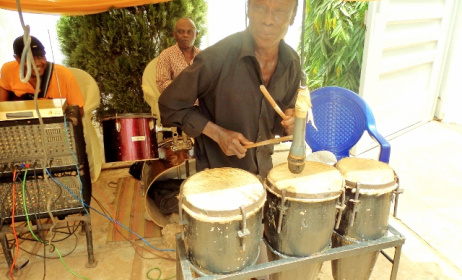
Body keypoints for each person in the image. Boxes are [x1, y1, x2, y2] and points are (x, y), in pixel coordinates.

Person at [159, 0, 301, 179]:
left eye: (279, 11)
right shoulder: (216, 58)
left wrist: (291, 121)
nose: (268, 20)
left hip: (263, 175)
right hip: (217, 178)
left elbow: (285, 113)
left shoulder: (291, 63)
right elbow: (169, 104)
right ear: (248, 9)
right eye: (260, 8)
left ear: (292, 16)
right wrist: (218, 134)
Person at [0, 35, 85, 116]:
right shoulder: (8, 70)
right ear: (17, 59)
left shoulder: (64, 75)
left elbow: (79, 111)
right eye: (29, 59)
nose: (37, 63)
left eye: (40, 57)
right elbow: (2, 108)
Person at [156, 17, 200, 93]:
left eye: (189, 32)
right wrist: (187, 85)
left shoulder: (202, 56)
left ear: (196, 34)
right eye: (181, 31)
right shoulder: (166, 55)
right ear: (175, 34)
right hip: (177, 103)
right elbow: (161, 85)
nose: (185, 35)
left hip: (202, 103)